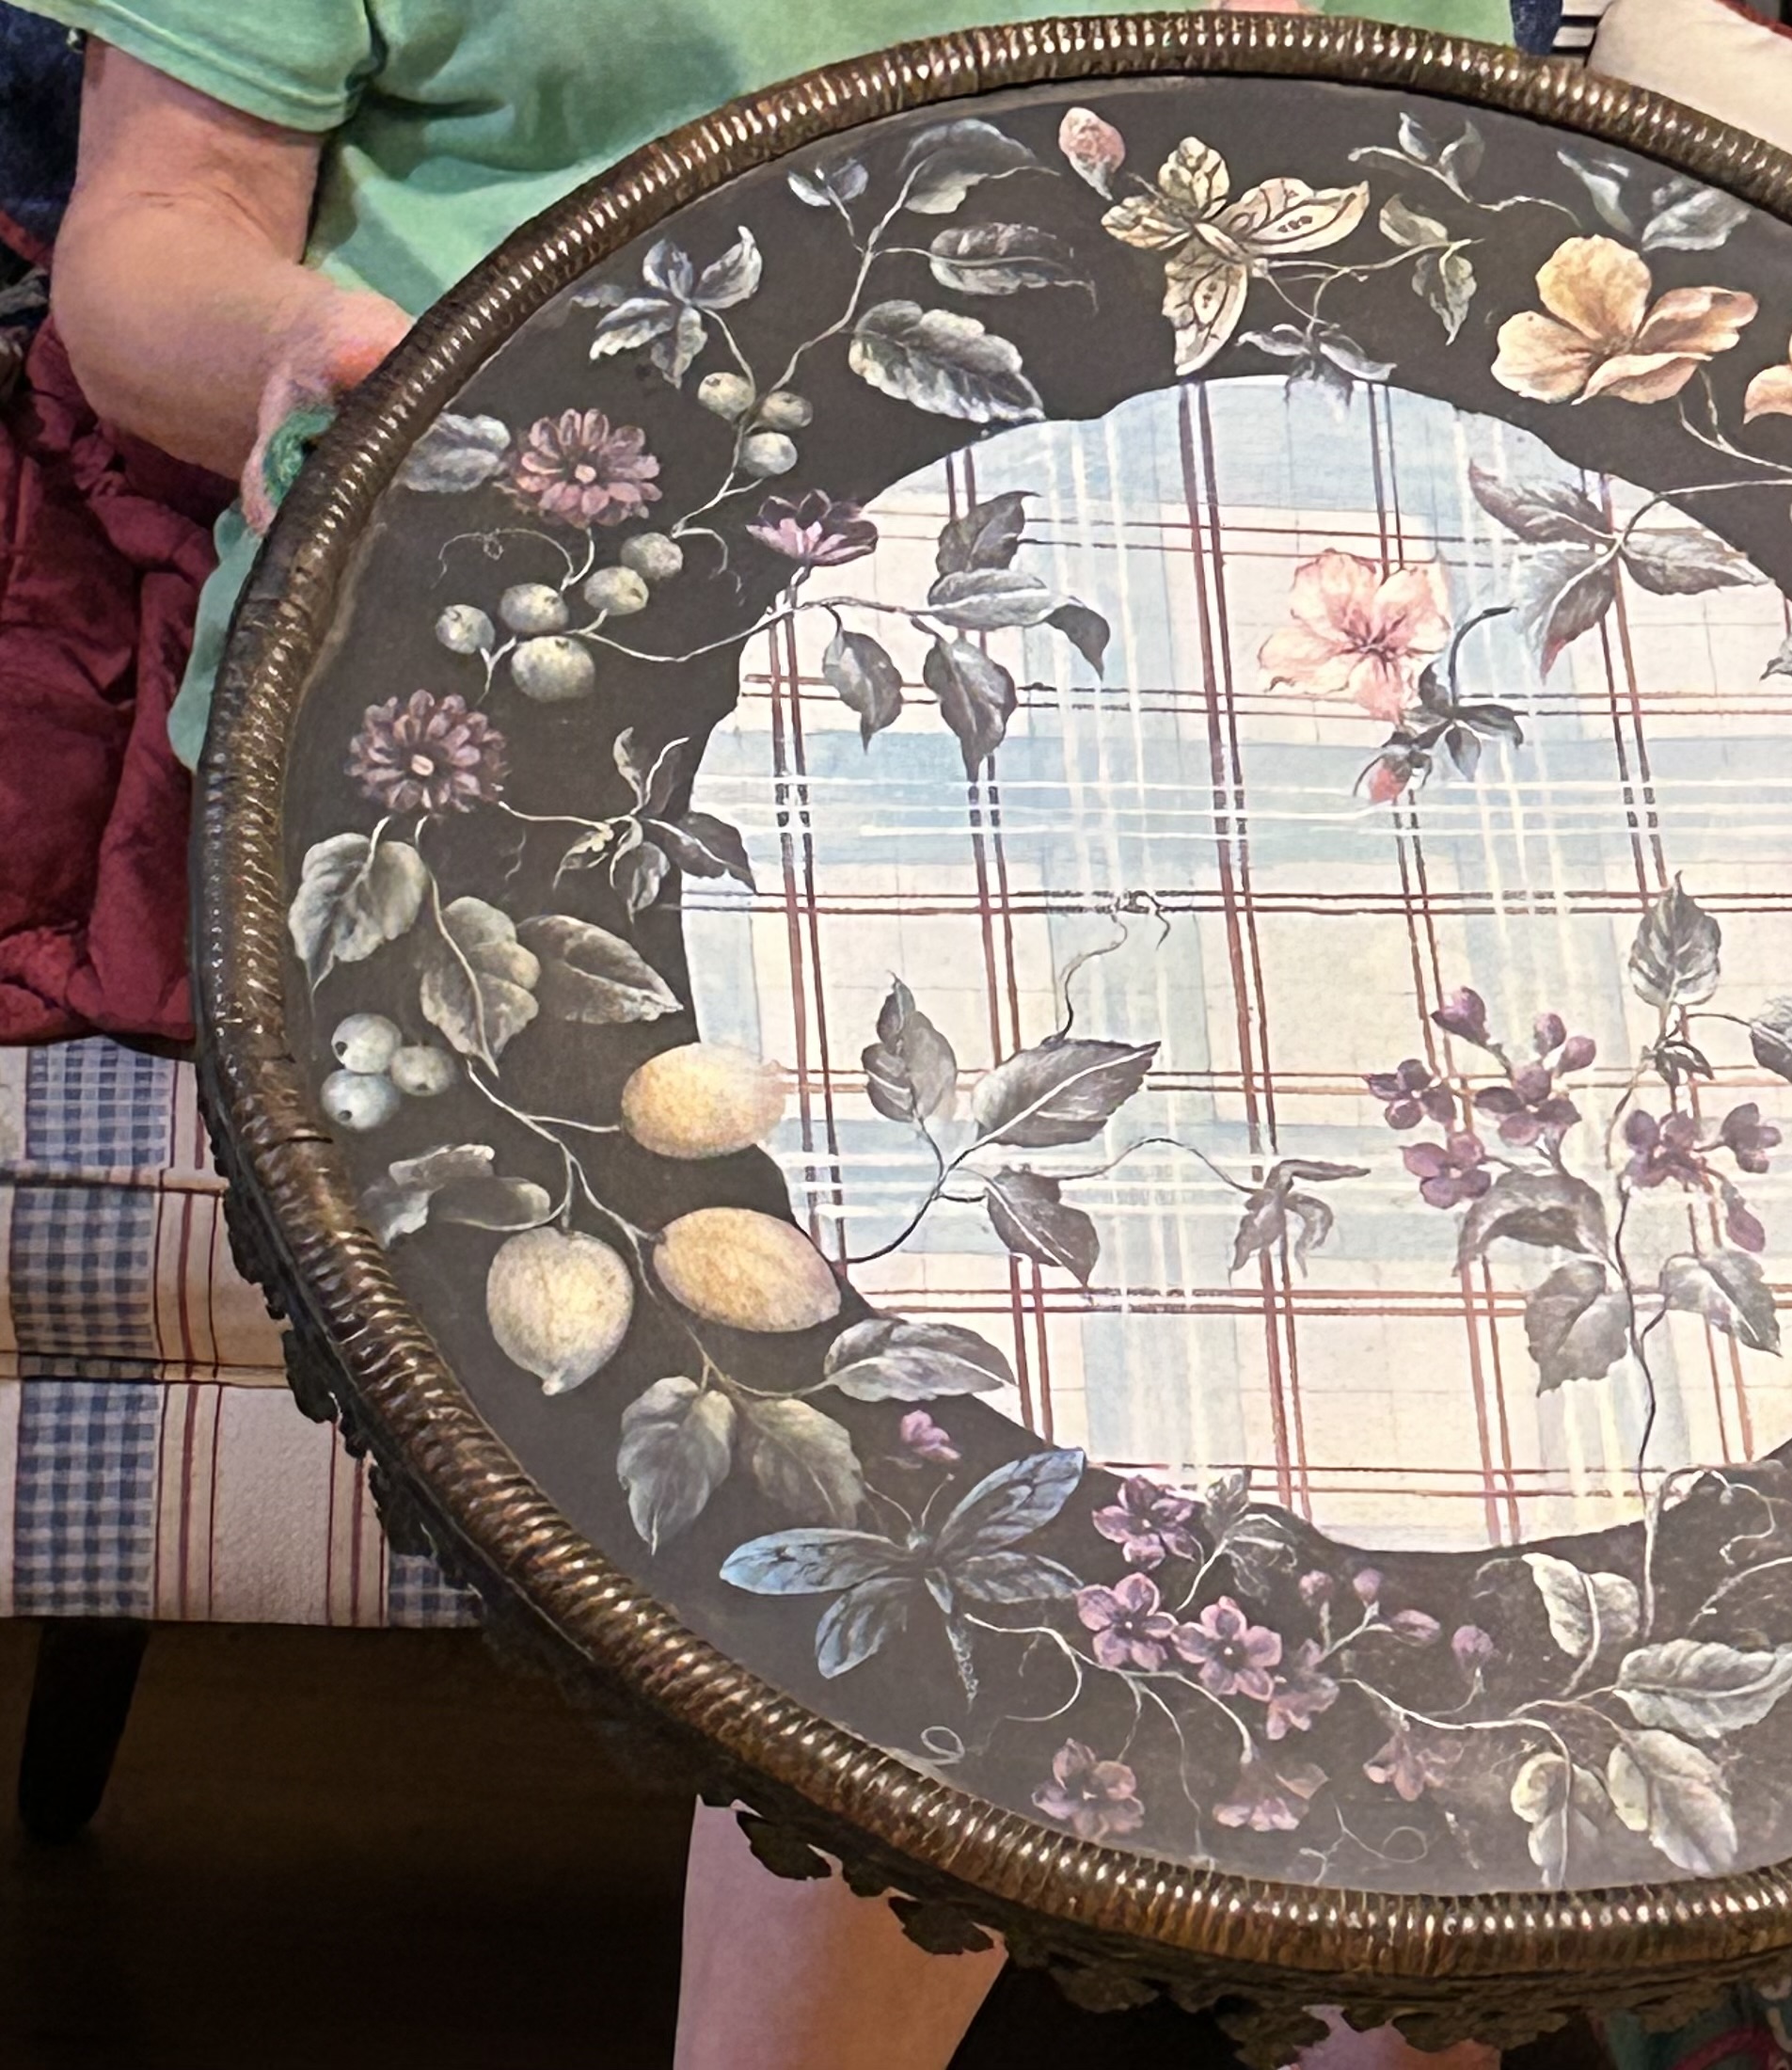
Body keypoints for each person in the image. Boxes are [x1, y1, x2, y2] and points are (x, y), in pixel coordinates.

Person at [23, 3, 1514, 2065]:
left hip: (1155, 679)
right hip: (535, 712)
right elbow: (152, 237)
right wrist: (310, 353)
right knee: (998, 1342)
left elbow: (1412, 198)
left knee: (1452, 1211)